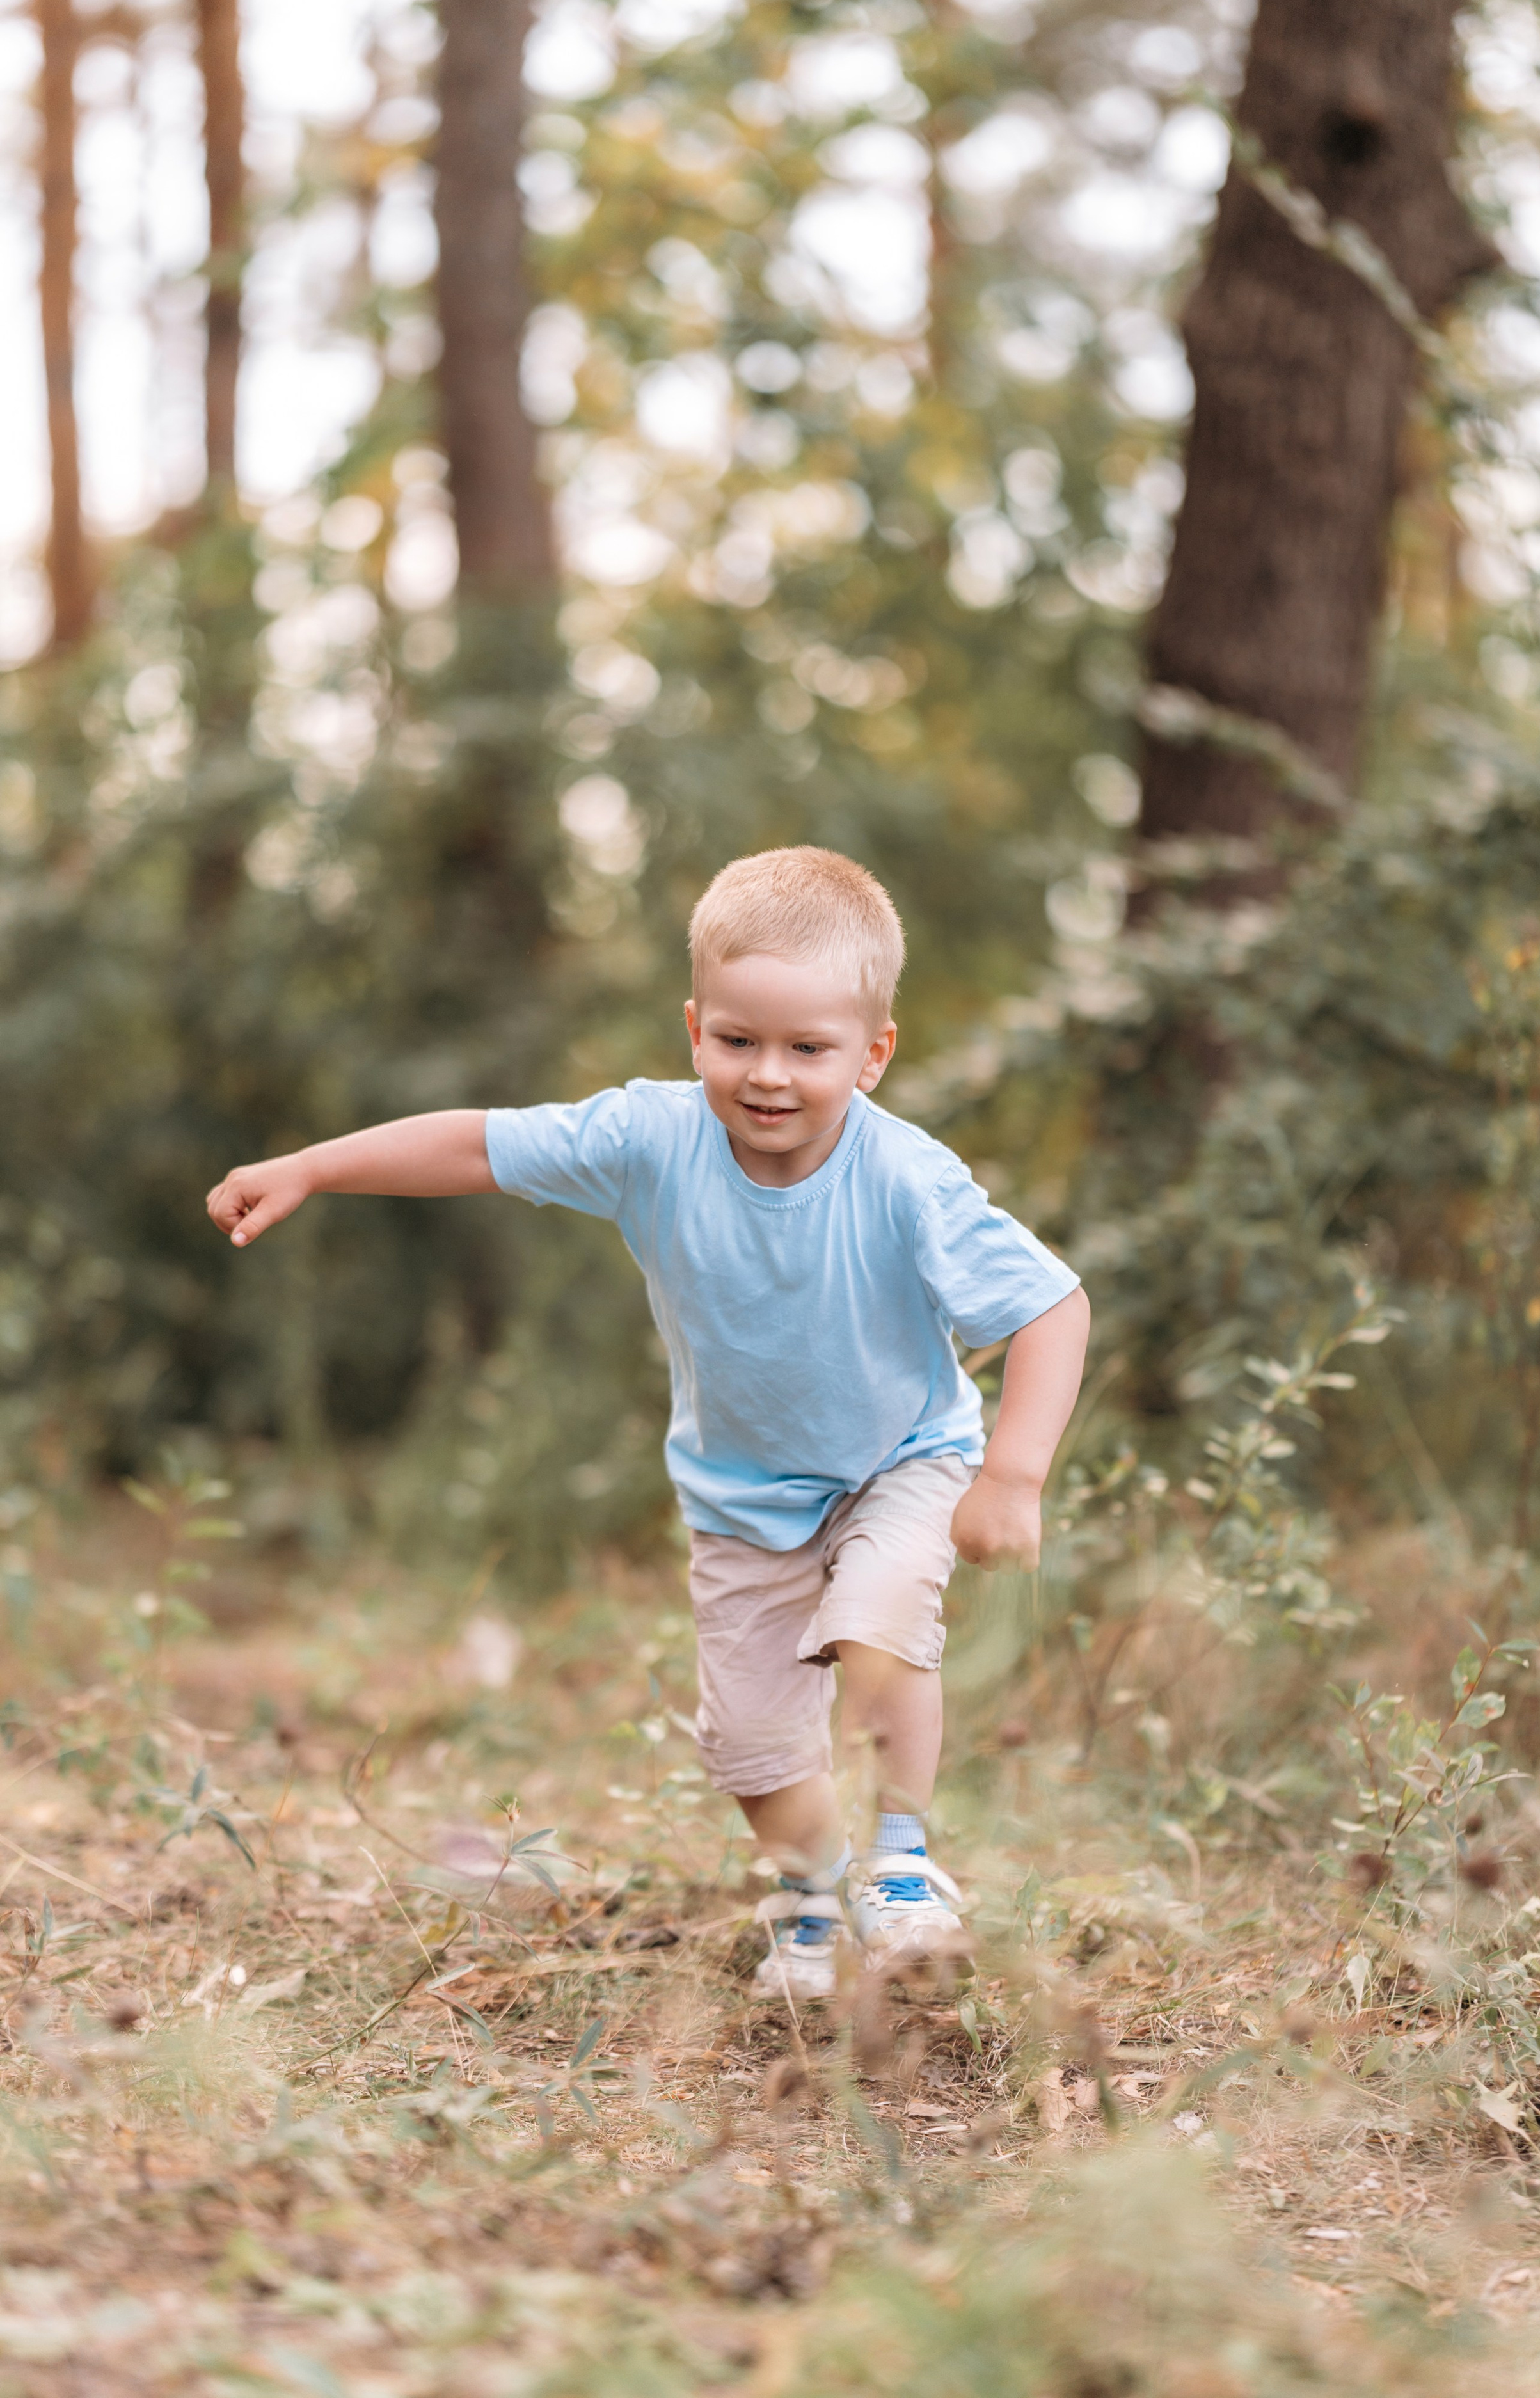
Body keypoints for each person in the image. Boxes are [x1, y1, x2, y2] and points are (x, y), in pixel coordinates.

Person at [207, 846, 1090, 1999]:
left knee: (878, 1623)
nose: (768, 1075)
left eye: (809, 1050)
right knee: (752, 1743)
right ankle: (812, 1899)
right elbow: (479, 1145)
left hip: (903, 1460)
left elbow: (1050, 1305)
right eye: (738, 1040)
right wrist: (312, 1168)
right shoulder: (648, 1140)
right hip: (742, 1494)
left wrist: (1012, 1477)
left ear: (873, 1054)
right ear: (694, 1030)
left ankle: (904, 1865)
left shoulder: (905, 1179)